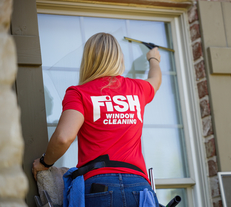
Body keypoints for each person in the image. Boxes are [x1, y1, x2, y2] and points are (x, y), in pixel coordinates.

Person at [32, 32, 162, 207]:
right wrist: (154, 58)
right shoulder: (138, 89)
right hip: (138, 187)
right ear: (120, 58)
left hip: (98, 187)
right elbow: (156, 79)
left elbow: (64, 137)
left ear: (88, 60)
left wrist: (44, 163)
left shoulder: (79, 92)